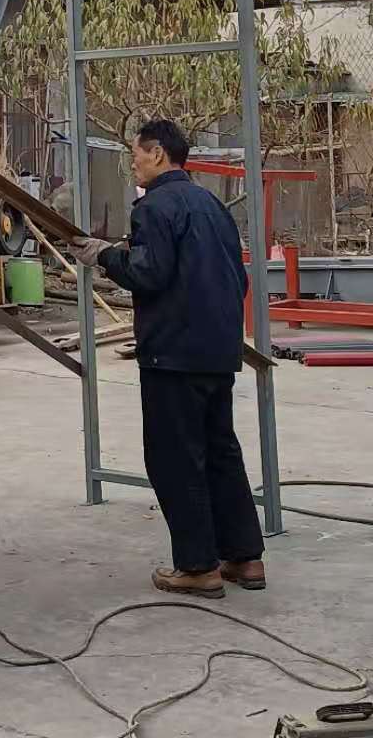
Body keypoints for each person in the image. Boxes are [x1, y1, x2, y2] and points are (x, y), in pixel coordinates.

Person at [71, 118, 265, 599]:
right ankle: (244, 557)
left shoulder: (154, 207)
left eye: (135, 153)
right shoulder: (211, 205)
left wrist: (105, 257)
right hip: (218, 350)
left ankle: (198, 567)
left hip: (173, 354)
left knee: (176, 458)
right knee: (220, 452)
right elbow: (236, 277)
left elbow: (149, 273)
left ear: (157, 153)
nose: (132, 162)